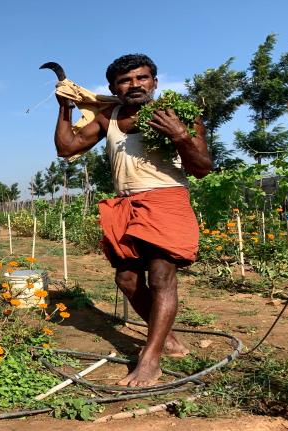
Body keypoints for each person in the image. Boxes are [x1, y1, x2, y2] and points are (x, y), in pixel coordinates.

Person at [53, 54, 212, 387]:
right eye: (126, 80)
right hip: (126, 204)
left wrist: (180, 135)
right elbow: (67, 147)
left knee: (161, 277)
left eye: (142, 78)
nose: (135, 85)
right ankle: (166, 340)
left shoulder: (174, 113)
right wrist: (65, 108)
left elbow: (201, 167)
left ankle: (150, 360)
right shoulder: (108, 117)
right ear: (114, 87)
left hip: (166, 198)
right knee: (126, 279)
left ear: (154, 81)